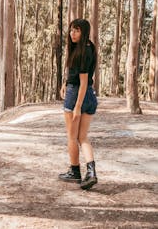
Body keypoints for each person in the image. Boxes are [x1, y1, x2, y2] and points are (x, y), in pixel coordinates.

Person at [59, 18, 98, 190]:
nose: (72, 33)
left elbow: (82, 82)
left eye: (76, 30)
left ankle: (75, 171)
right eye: (71, 30)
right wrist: (64, 84)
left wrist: (77, 107)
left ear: (84, 32)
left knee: (72, 137)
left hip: (78, 95)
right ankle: (91, 172)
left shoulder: (82, 52)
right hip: (89, 94)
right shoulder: (88, 47)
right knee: (82, 137)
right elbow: (81, 77)